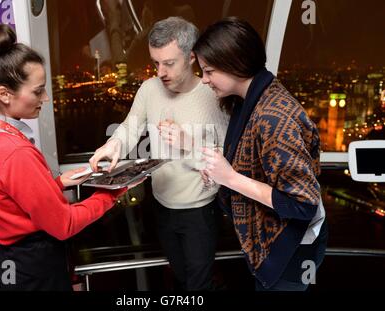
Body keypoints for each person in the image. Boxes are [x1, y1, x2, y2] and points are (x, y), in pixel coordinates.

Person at [0, 24, 142, 291]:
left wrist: (57, 184)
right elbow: (64, 225)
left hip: (11, 264)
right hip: (36, 269)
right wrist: (112, 192)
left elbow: (10, 198)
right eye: (38, 91)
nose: (46, 98)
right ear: (4, 94)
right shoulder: (15, 152)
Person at [89, 17, 229, 290]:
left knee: (198, 286)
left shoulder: (213, 95)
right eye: (156, 63)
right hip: (161, 206)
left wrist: (187, 143)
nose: (160, 72)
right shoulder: (149, 89)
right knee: (179, 277)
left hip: (200, 212)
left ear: (191, 57)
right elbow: (130, 127)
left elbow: (227, 158)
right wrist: (111, 146)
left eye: (169, 63)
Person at [193, 17, 328, 291]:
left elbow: (303, 203)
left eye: (208, 71)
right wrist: (222, 168)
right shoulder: (251, 102)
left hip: (290, 253)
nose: (204, 80)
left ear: (235, 61)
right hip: (277, 244)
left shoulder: (274, 117)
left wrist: (229, 177)